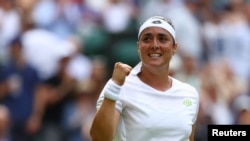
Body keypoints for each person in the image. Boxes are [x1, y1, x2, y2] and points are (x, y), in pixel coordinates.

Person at [90, 15, 200, 141]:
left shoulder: (190, 93)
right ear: (138, 47)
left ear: (174, 48)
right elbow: (99, 138)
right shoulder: (118, 87)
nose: (154, 45)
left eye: (162, 39)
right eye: (147, 39)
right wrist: (113, 89)